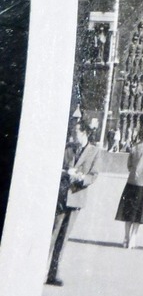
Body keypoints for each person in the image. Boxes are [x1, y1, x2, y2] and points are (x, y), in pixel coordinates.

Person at [46, 121, 101, 286]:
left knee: (63, 238)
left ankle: (53, 274)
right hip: (61, 197)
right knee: (52, 234)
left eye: (75, 132)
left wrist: (83, 178)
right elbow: (56, 167)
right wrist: (66, 172)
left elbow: (94, 174)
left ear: (84, 133)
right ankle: (38, 270)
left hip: (76, 197)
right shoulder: (68, 148)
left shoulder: (95, 151)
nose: (72, 134)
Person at [115, 124, 143, 249]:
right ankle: (133, 238)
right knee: (139, 213)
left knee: (128, 210)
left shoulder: (135, 147)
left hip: (132, 182)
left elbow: (129, 165)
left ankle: (126, 237)